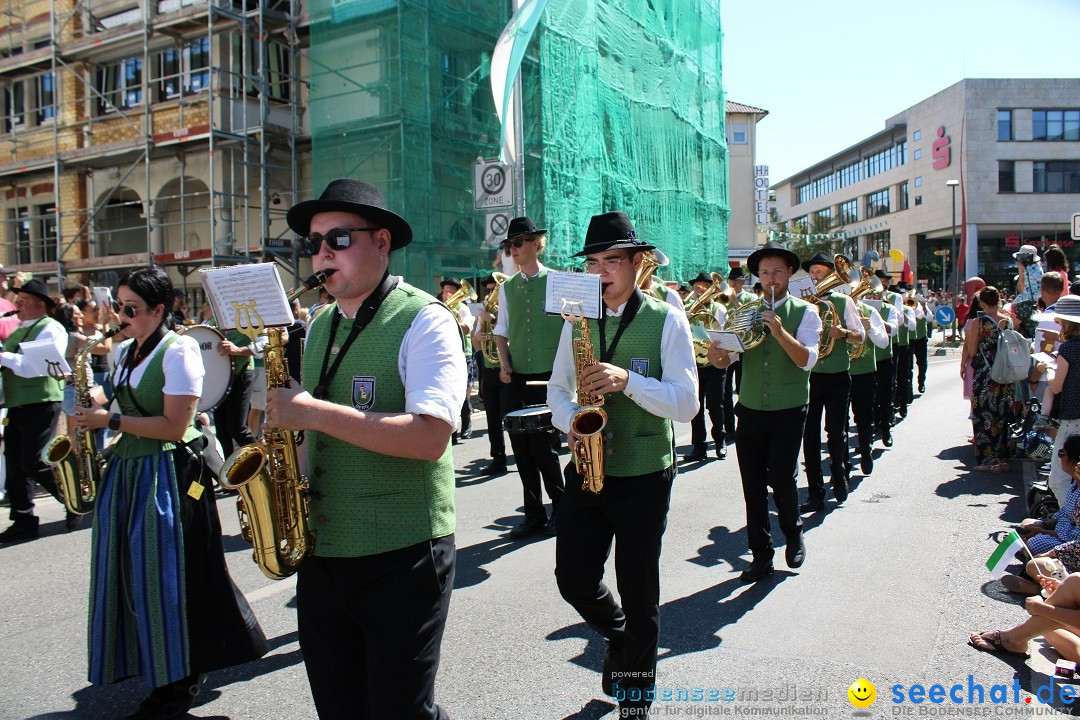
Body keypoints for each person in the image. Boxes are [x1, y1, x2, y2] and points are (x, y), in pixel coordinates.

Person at [264, 178, 464, 719]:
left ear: (381, 241)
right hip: (325, 553)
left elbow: (428, 438)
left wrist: (308, 411)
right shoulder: (319, 325)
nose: (322, 254)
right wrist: (278, 490)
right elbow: (311, 435)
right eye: (314, 244)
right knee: (339, 708)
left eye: (339, 239)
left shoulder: (427, 320)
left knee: (400, 712)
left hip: (403, 554)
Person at [73, 266, 267, 717]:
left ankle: (180, 681)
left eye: (130, 308)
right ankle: (149, 662)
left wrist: (111, 422)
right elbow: (117, 399)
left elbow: (174, 425)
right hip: (128, 471)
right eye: (118, 306)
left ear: (159, 310)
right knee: (128, 571)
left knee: (169, 577)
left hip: (168, 472)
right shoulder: (125, 351)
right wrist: (91, 405)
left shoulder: (179, 350)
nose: (120, 315)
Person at [548, 211, 697, 719]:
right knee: (572, 579)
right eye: (594, 261)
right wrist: (570, 419)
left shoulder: (666, 316)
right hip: (587, 468)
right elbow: (557, 388)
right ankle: (618, 637)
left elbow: (686, 404)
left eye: (613, 260)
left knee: (640, 591)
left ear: (638, 262)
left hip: (644, 473)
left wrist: (628, 382)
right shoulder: (578, 316)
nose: (602, 271)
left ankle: (637, 697)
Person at [707, 242, 821, 582]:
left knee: (782, 479)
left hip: (788, 409)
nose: (771, 279)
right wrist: (717, 348)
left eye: (778, 272)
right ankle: (760, 555)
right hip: (752, 408)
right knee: (752, 484)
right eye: (766, 272)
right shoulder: (743, 311)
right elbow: (724, 361)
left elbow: (807, 360)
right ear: (758, 276)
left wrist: (780, 331)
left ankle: (793, 530)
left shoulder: (806, 312)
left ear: (789, 274)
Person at [494, 216, 566, 538]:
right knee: (521, 450)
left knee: (544, 450)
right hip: (518, 378)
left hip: (550, 377)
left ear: (537, 243)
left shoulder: (558, 281)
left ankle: (561, 509)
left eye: (520, 242)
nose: (514, 249)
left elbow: (573, 326)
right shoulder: (506, 287)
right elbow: (502, 331)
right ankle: (533, 514)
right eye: (511, 245)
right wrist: (504, 365)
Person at [0, 279, 75, 541]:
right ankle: (23, 519)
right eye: (17, 301)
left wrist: (2, 357)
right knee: (15, 465)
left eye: (22, 301)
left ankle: (73, 499)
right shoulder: (19, 330)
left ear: (39, 305)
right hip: (17, 403)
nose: (17, 305)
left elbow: (36, 366)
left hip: (42, 401)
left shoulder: (51, 328)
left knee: (34, 461)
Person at [799, 252, 864, 513]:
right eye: (812, 272)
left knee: (836, 433)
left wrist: (843, 333)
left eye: (820, 272)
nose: (815, 276)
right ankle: (815, 491)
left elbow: (860, 336)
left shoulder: (843, 301)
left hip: (837, 376)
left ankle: (840, 476)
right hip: (811, 376)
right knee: (809, 436)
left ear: (830, 275)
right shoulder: (803, 303)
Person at [961, 286, 1016, 472]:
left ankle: (987, 460)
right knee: (1003, 415)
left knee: (984, 414)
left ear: (982, 303)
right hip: (1006, 374)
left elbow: (973, 351)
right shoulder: (1007, 321)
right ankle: (1003, 459)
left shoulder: (979, 322)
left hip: (986, 374)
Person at [683, 271, 728, 462]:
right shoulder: (686, 307)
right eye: (697, 287)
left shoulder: (718, 308)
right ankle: (699, 447)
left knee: (715, 405)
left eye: (704, 286)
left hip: (715, 362)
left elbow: (723, 332)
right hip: (695, 363)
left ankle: (720, 442)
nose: (699, 290)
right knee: (696, 407)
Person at [846, 284, 890, 475]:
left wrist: (870, 328)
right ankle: (842, 462)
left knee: (863, 415)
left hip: (863, 372)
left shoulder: (869, 311)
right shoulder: (831, 309)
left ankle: (865, 449)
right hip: (838, 372)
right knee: (838, 423)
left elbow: (884, 341)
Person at [1042, 296, 1080, 503]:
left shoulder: (1068, 349)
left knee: (1059, 479)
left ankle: (1072, 521)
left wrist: (1048, 371)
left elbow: (1056, 386)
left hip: (1073, 419)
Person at [471, 274, 508, 474]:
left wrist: (492, 320)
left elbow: (512, 334)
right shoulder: (484, 311)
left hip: (508, 368)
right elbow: (476, 344)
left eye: (496, 289)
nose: (492, 293)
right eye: (490, 290)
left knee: (511, 414)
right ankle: (498, 458)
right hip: (490, 368)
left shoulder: (509, 308)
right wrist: (479, 336)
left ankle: (521, 455)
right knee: (492, 417)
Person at [721, 266, 755, 444]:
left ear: (742, 282)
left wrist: (735, 302)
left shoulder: (751, 298)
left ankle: (745, 425)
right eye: (731, 280)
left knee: (743, 388)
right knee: (725, 392)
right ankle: (729, 429)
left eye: (737, 281)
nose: (733, 283)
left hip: (744, 347)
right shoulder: (722, 299)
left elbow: (751, 319)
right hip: (728, 347)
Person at [440, 277, 474, 443]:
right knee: (448, 393)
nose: (447, 294)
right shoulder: (439, 307)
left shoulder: (463, 308)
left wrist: (450, 321)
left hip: (463, 354)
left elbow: (467, 328)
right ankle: (451, 432)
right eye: (445, 291)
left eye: (451, 292)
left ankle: (466, 424)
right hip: (445, 354)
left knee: (462, 393)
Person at [1012, 244, 1045, 338]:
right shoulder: (1038, 268)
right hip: (1037, 302)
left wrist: (1020, 270)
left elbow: (1021, 288)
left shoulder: (1024, 267)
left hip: (1024, 303)